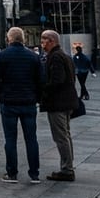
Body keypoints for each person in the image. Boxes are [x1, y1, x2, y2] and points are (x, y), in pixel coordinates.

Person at [0, 26, 43, 184]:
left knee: (10, 139)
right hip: (28, 102)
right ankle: (34, 174)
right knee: (31, 139)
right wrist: (37, 98)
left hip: (9, 103)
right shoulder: (33, 56)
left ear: (9, 39)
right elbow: (41, 80)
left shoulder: (2, 55)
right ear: (23, 39)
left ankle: (12, 173)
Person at [40, 30, 78, 182]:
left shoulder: (55, 57)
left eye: (43, 42)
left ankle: (67, 170)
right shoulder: (64, 55)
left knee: (61, 137)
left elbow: (57, 80)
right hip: (67, 101)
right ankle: (68, 166)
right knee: (65, 135)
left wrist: (43, 91)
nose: (42, 45)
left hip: (58, 103)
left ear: (51, 41)